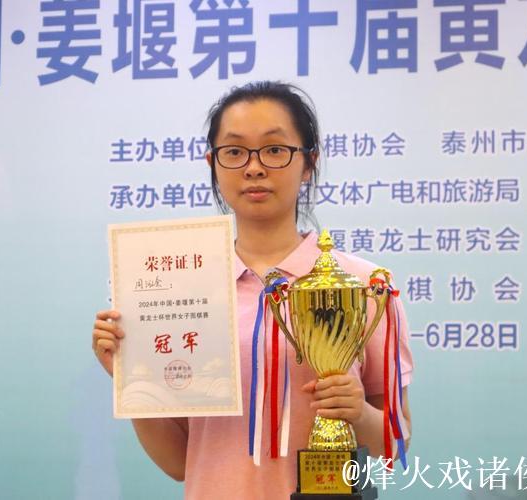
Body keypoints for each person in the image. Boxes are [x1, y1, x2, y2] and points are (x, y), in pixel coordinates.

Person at [92, 81, 413, 499]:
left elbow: (395, 447)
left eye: (275, 150)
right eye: (235, 151)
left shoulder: (364, 286)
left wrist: (359, 413)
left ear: (309, 162)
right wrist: (132, 379)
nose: (254, 167)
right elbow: (177, 463)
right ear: (213, 163)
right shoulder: (185, 289)